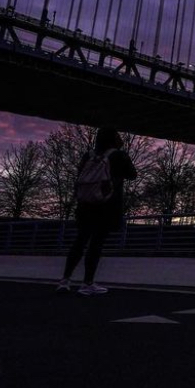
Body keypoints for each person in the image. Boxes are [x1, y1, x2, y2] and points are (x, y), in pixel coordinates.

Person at [56, 127, 137, 296]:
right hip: (107, 205)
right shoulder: (118, 155)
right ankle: (87, 283)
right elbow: (133, 174)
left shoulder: (89, 155)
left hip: (85, 204)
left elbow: (80, 176)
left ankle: (65, 280)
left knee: (80, 241)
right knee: (96, 244)